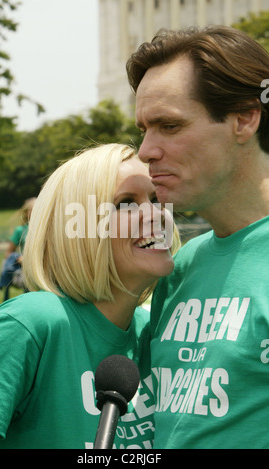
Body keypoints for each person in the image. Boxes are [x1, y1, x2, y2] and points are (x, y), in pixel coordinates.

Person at [0, 143, 179, 449]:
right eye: (124, 203)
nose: (156, 214)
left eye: (156, 199)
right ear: (80, 230)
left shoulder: (158, 332)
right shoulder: (31, 324)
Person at [126, 25, 269, 449]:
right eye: (143, 129)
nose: (145, 151)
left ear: (244, 118)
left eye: (169, 126)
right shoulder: (181, 265)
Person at [0, 198, 36, 300]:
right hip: (28, 272)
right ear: (27, 212)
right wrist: (19, 258)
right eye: (33, 209)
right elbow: (8, 253)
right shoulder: (21, 230)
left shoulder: (47, 229)